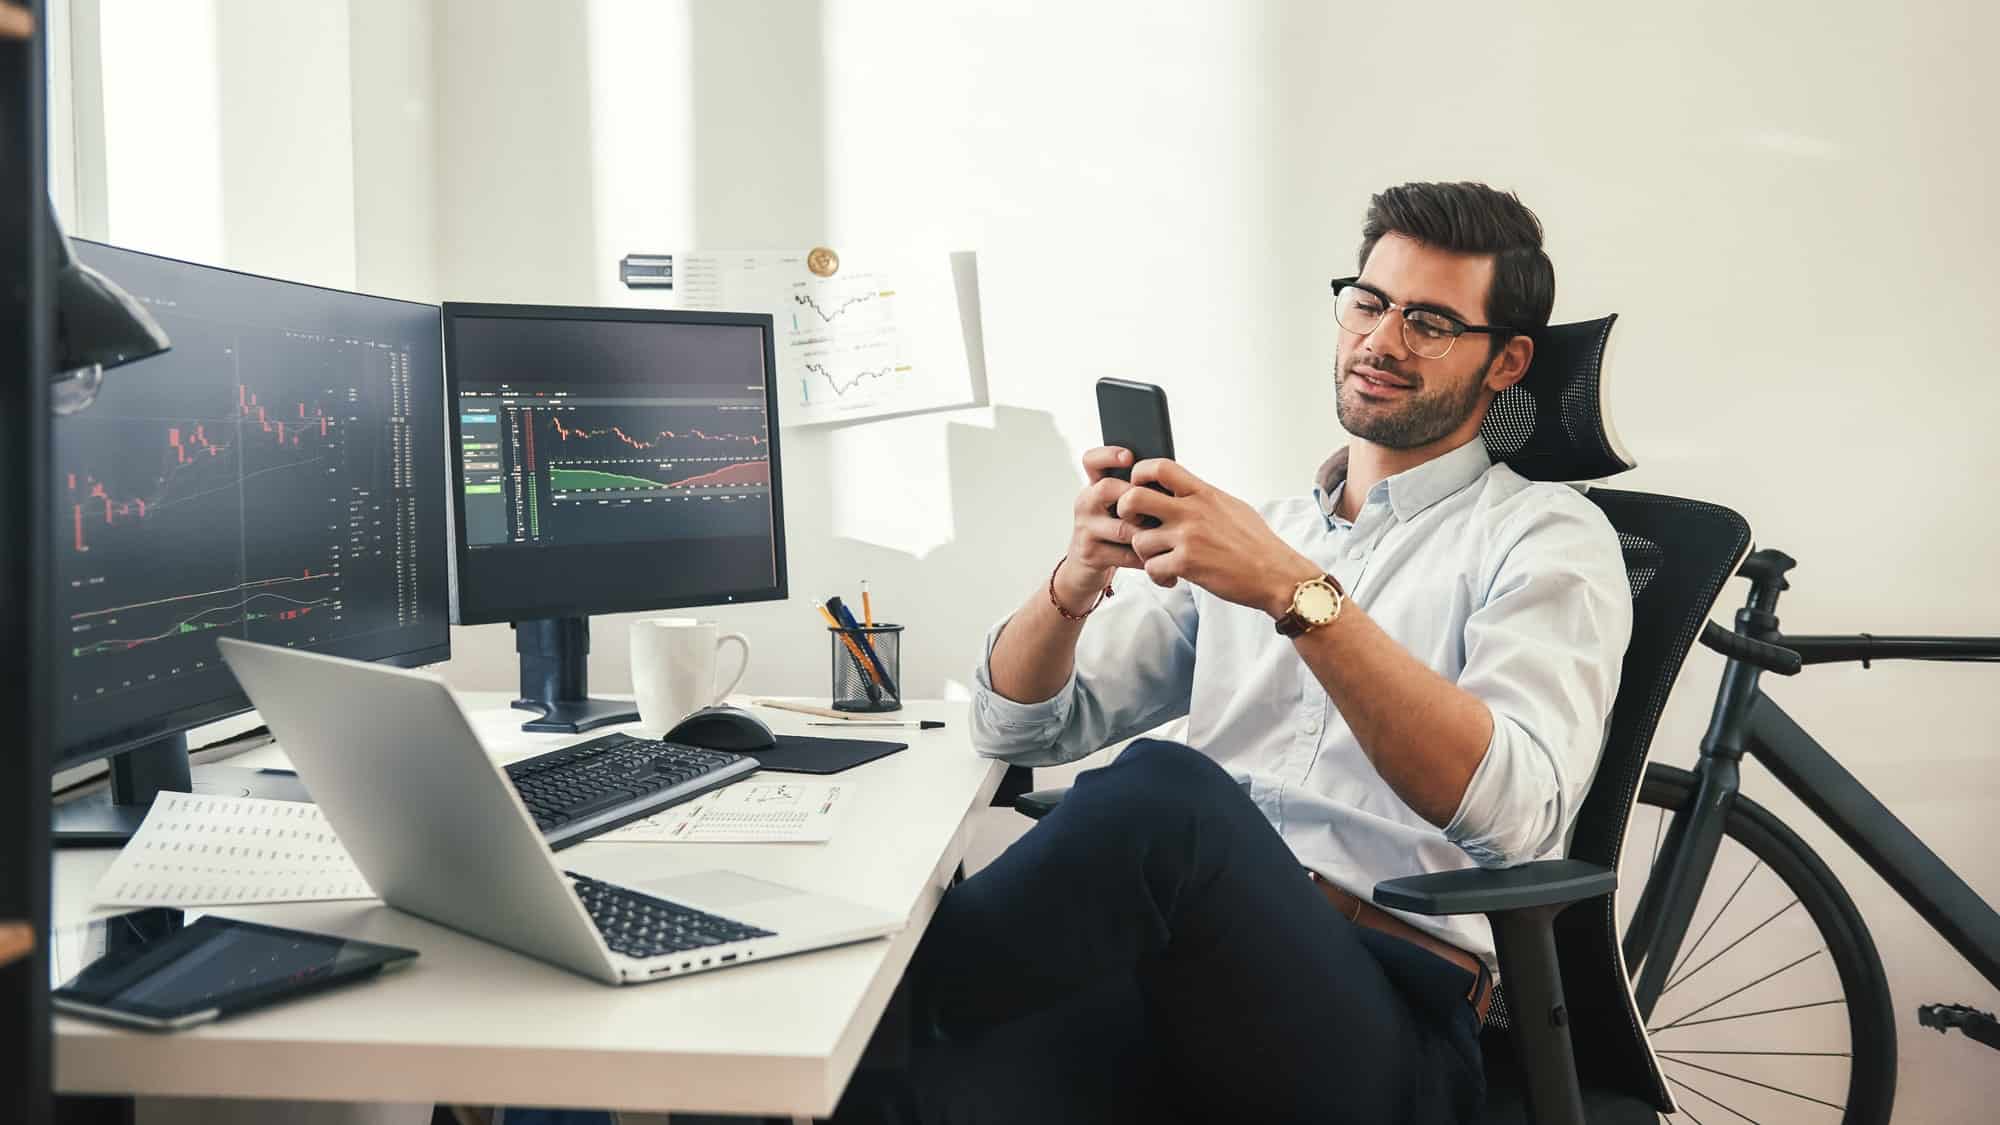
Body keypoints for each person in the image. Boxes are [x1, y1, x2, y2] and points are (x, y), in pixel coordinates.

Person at [839, 181, 1632, 1124]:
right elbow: (1019, 726)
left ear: (1507, 361)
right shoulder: (1265, 531)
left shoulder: (1547, 537)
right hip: (1178, 983)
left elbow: (1514, 814)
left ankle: (842, 1025)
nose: (1382, 340)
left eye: (1428, 321)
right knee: (913, 1096)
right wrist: (1077, 575)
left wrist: (1297, 597)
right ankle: (816, 1058)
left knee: (1164, 794)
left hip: (1384, 1024)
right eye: (1370, 303)